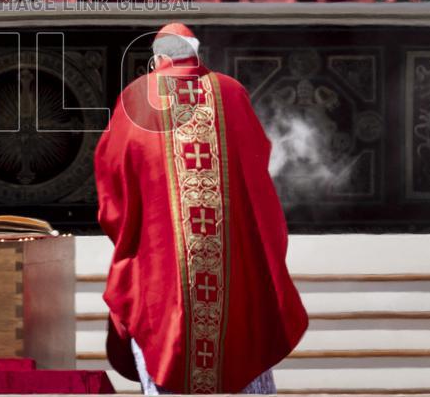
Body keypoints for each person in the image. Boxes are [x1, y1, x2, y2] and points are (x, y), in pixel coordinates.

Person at [94, 23, 308, 394]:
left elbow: (111, 178)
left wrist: (131, 227)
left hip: (161, 268)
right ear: (196, 52)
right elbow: (257, 170)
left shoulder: (136, 97)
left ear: (158, 58)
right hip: (232, 269)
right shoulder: (230, 92)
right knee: (242, 337)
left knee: (165, 342)